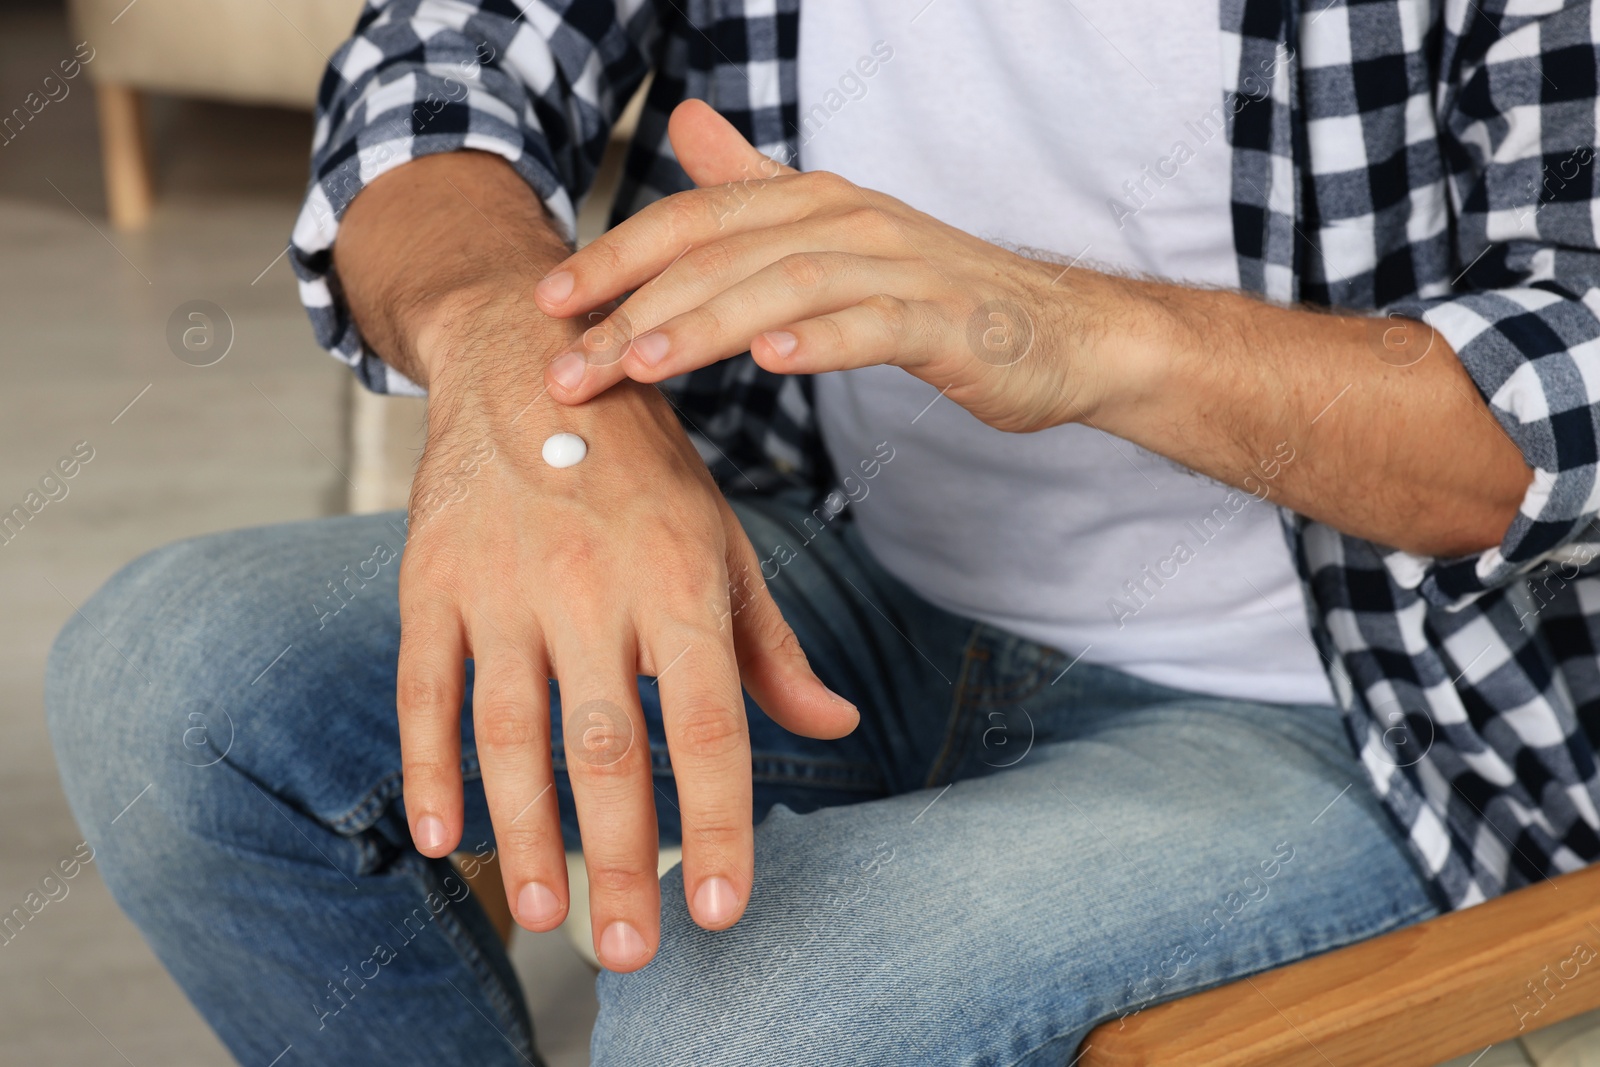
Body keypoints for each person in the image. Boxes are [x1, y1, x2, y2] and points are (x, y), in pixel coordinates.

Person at [46, 0, 1600, 1063]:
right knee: (177, 686)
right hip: (842, 562)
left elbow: (1573, 373)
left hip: (1361, 696)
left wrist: (1071, 331)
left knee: (747, 1013)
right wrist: (541, 388)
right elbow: (436, 60)